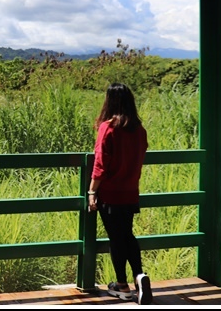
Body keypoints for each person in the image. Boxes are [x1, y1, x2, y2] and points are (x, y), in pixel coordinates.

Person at [87, 83, 153, 305]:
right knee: (128, 235)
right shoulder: (139, 130)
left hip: (111, 193)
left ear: (109, 101)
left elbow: (100, 164)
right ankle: (140, 275)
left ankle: (122, 286)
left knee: (116, 238)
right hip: (130, 192)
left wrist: (91, 191)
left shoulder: (108, 128)